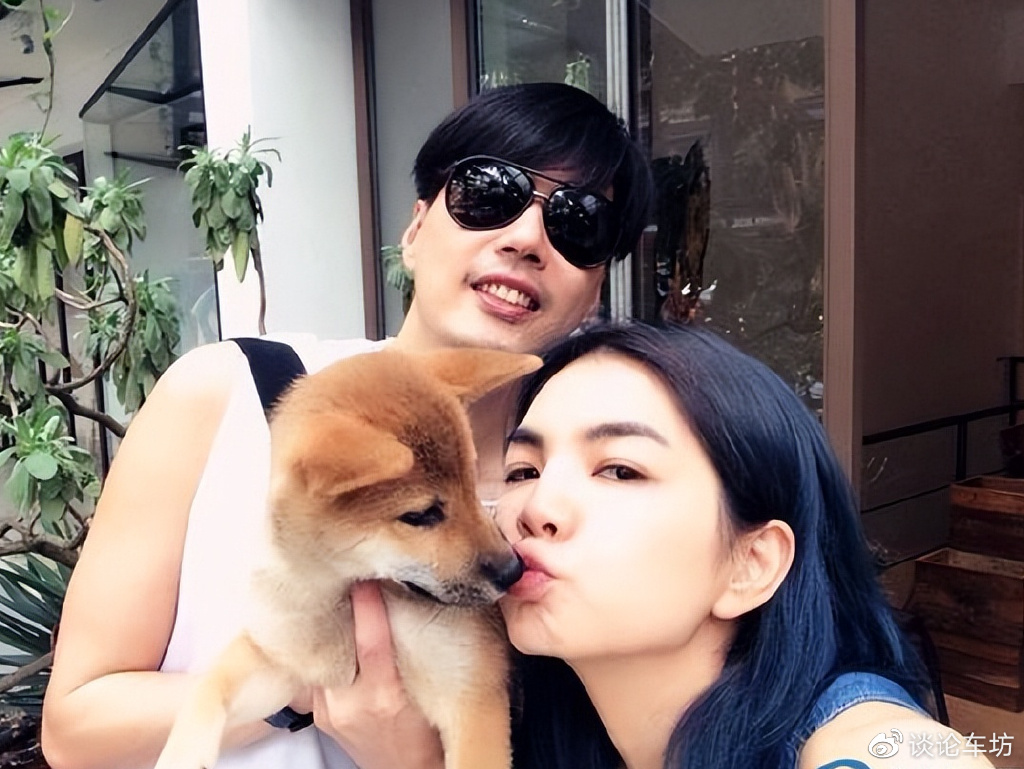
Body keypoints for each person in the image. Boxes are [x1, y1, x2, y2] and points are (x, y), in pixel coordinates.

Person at [39, 82, 653, 769]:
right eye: (488, 193)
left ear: (597, 288)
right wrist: (303, 677)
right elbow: (75, 725)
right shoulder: (227, 394)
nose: (526, 239)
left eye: (579, 223)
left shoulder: (581, 503)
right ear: (414, 231)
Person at [496, 322, 993, 769]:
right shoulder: (531, 726)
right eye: (522, 471)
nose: (536, 508)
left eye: (620, 470)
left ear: (752, 564)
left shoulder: (872, 747)